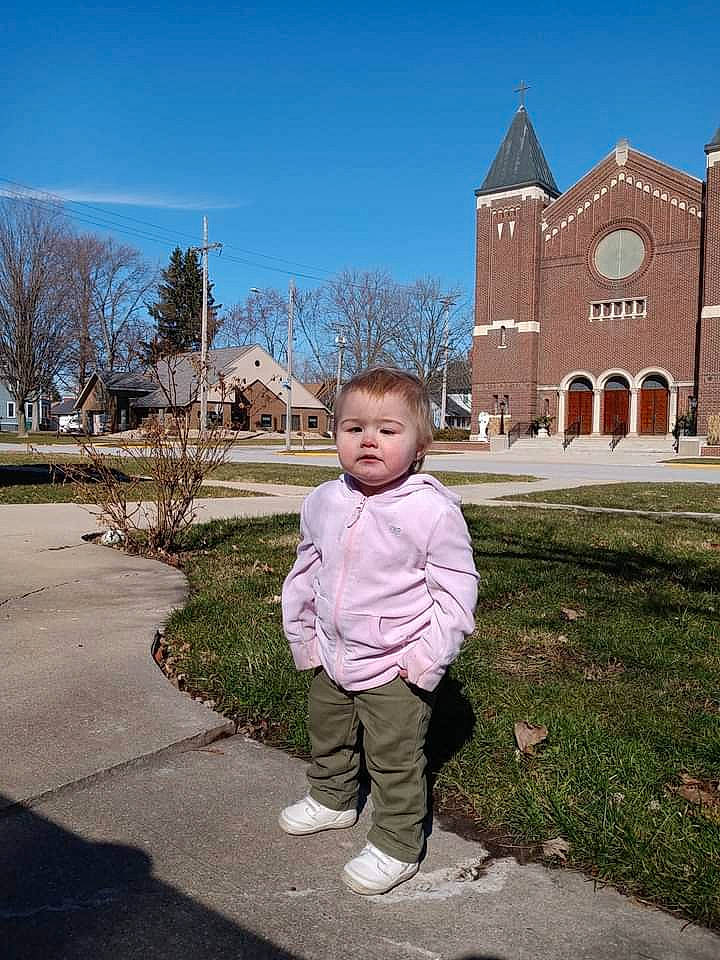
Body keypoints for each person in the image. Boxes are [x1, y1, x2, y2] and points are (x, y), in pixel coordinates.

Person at [280, 366, 478, 896]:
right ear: (336, 435)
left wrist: (423, 662)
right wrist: (304, 637)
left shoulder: (431, 511)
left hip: (395, 661)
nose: (369, 439)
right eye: (353, 428)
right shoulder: (322, 500)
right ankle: (332, 797)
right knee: (328, 732)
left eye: (388, 430)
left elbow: (456, 593)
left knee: (394, 757)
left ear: (419, 446)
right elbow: (305, 570)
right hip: (332, 652)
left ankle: (396, 842)